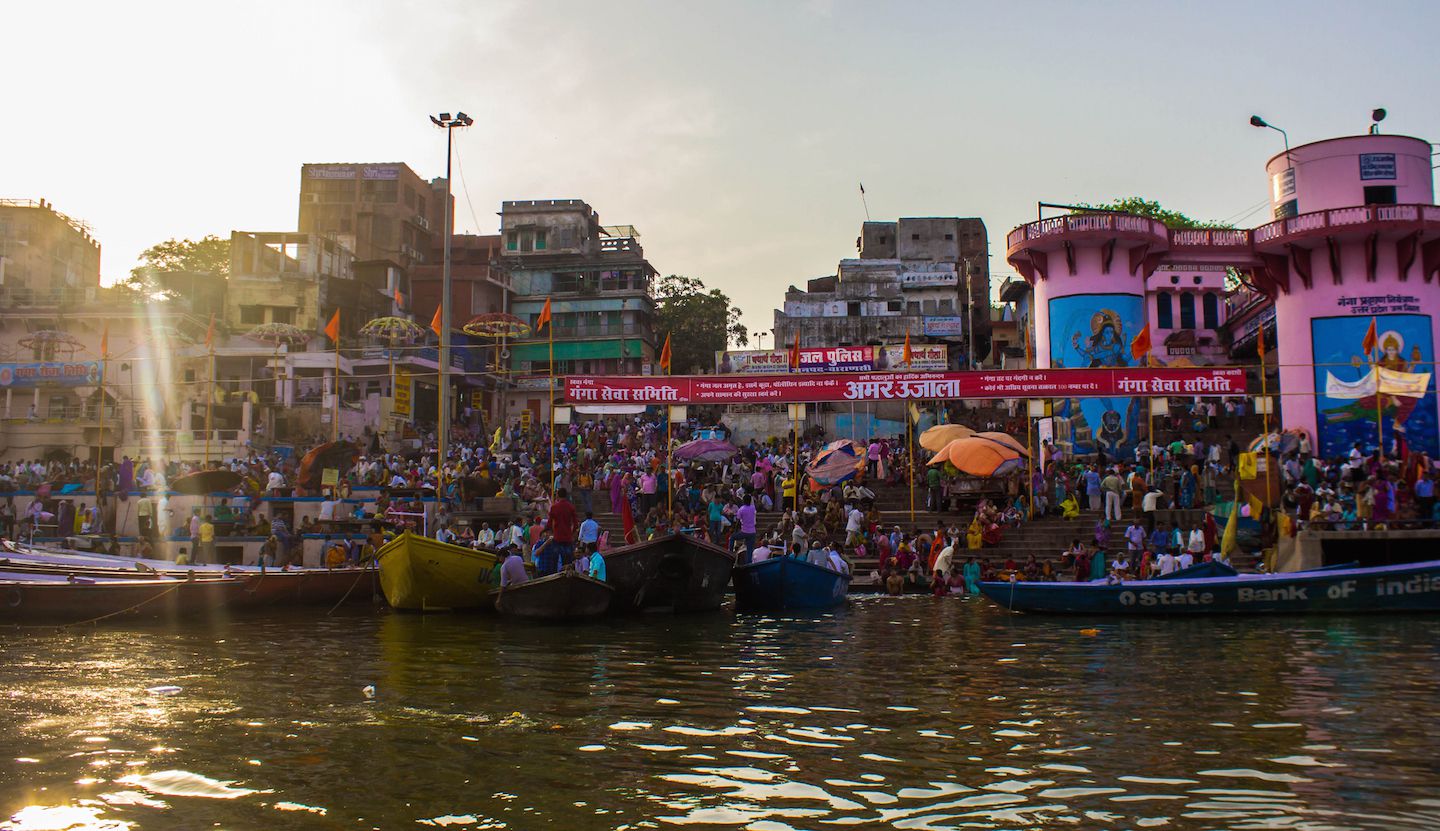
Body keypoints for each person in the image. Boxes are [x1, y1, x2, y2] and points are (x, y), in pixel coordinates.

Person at [545, 488, 578, 577]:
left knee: (554, 560)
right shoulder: (571, 507)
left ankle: (554, 577)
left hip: (557, 537)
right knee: (567, 561)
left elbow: (549, 523)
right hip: (567, 537)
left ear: (558, 495)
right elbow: (575, 524)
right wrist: (572, 533)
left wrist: (549, 532)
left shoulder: (554, 507)